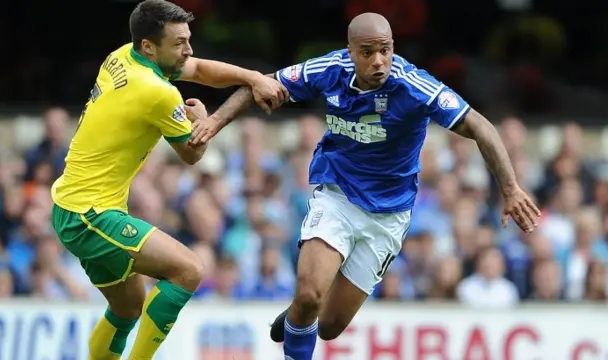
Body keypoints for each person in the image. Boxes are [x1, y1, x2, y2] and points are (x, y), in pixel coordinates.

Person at [191, 12, 541, 360]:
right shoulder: (328, 70)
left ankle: (299, 317)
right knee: (310, 293)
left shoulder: (414, 86)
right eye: (367, 52)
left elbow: (479, 125)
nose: (378, 61)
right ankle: (302, 312)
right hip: (337, 195)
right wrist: (215, 121)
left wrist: (510, 188)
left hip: (388, 215)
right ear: (350, 51)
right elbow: (262, 85)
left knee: (328, 327)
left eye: (385, 50)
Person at [50, 1, 286, 359]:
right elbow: (193, 155)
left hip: (76, 207)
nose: (188, 50)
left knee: (128, 308)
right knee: (188, 270)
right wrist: (202, 118)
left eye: (188, 39)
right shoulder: (156, 91)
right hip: (90, 215)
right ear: (150, 46)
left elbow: (198, 68)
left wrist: (252, 77)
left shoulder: (123, 56)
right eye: (179, 42)